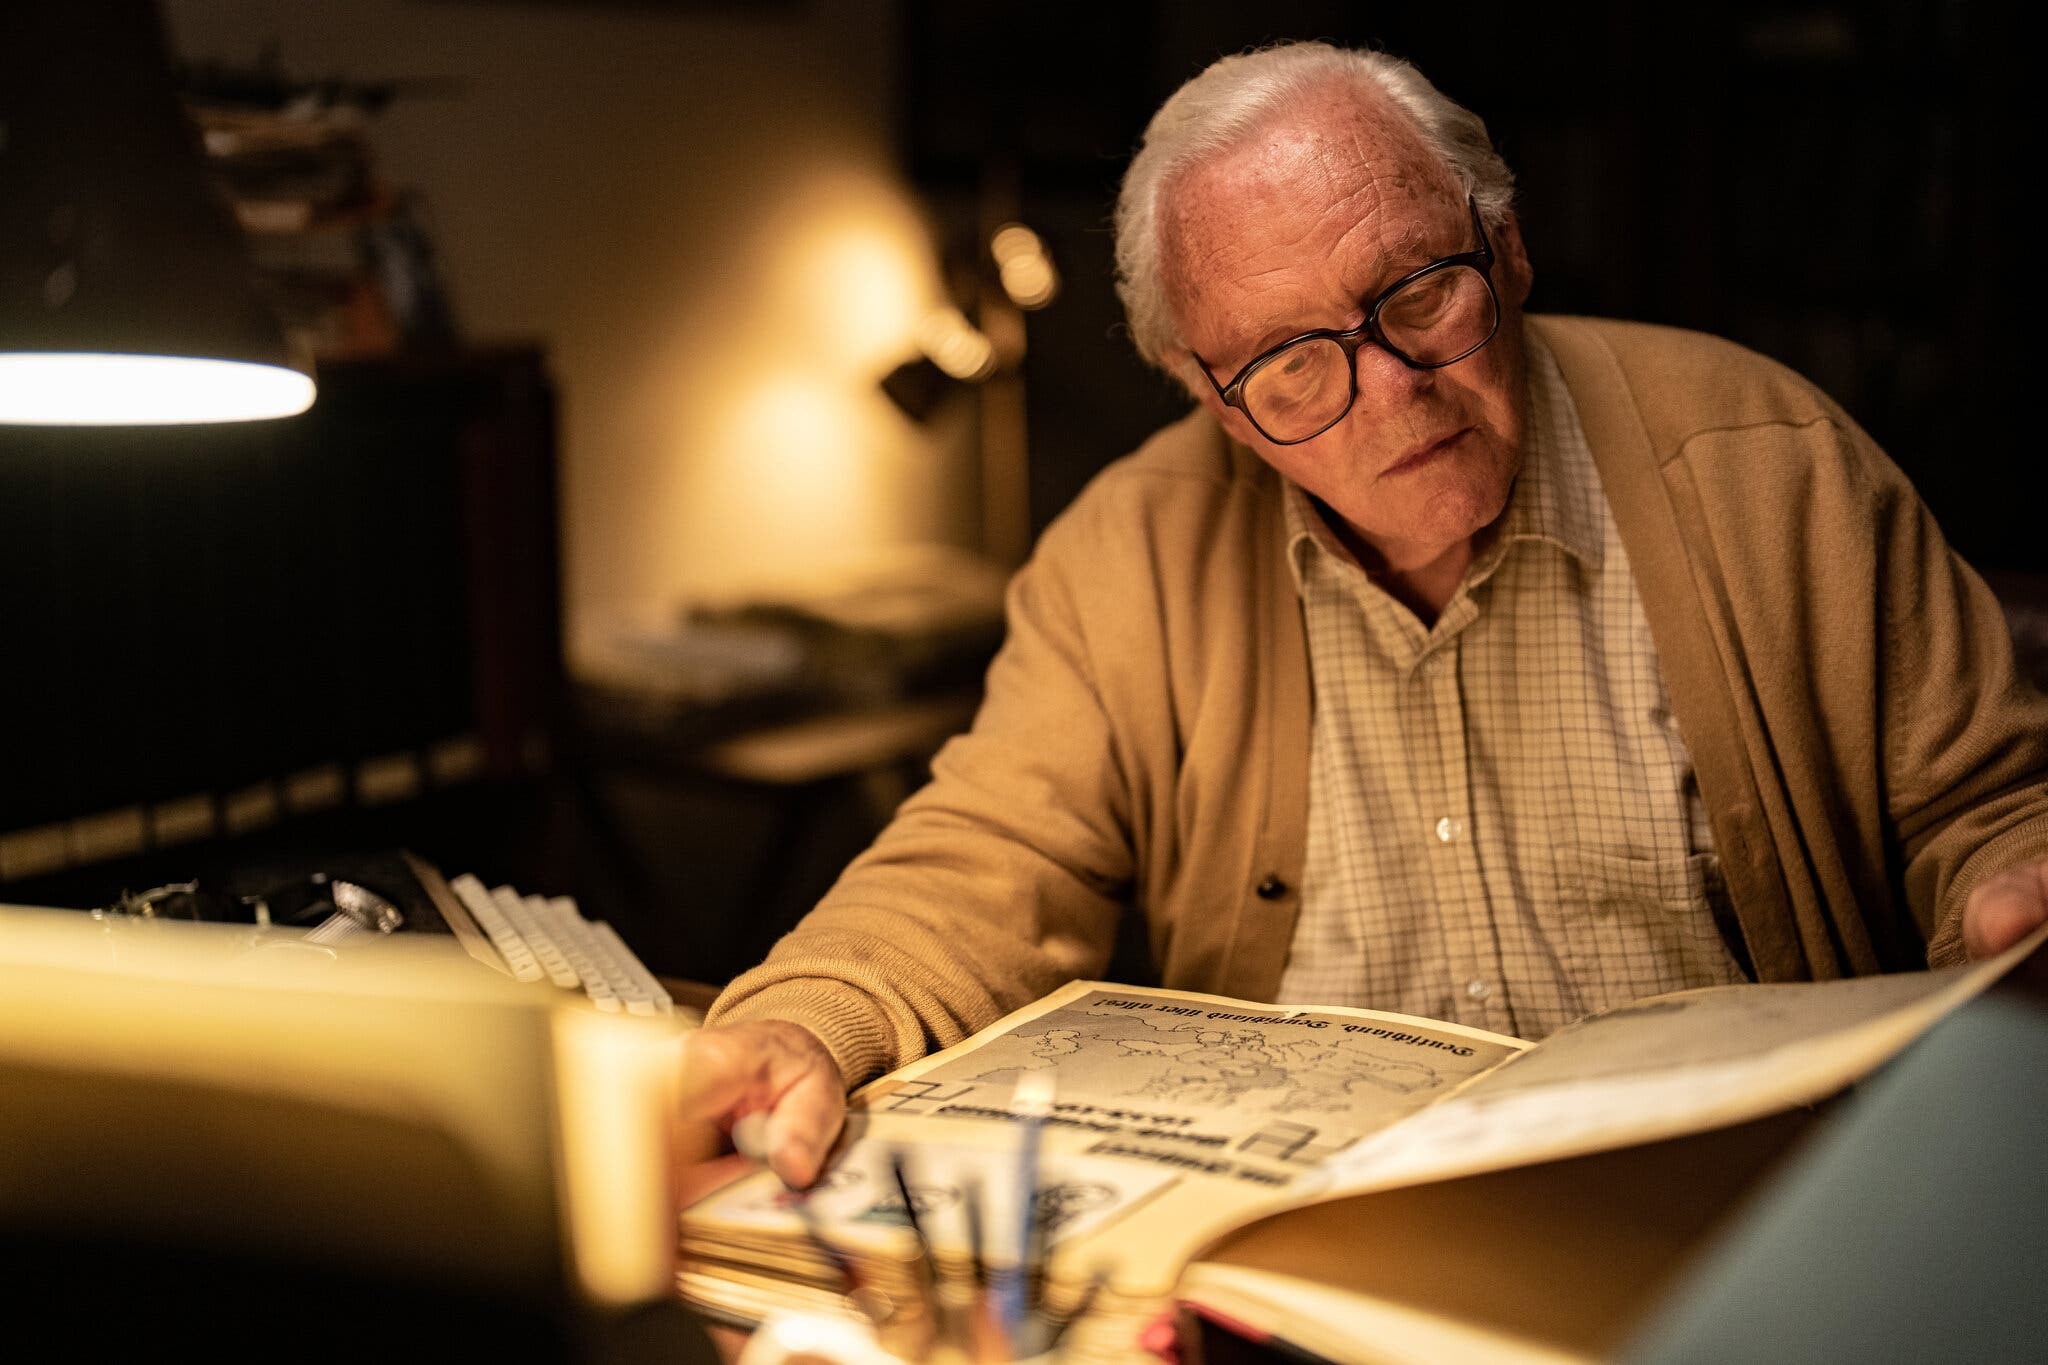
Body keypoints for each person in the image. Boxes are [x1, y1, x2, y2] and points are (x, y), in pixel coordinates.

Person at [675, 42, 2048, 1189]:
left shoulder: (1774, 467)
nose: (1392, 391)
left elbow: (1987, 807)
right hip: (1314, 1233)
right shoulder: (1126, 555)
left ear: (1505, 250)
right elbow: (986, 852)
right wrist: (810, 1017)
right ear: (1210, 396)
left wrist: (2009, 886)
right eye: (1286, 364)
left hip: (1728, 1202)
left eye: (1417, 294)